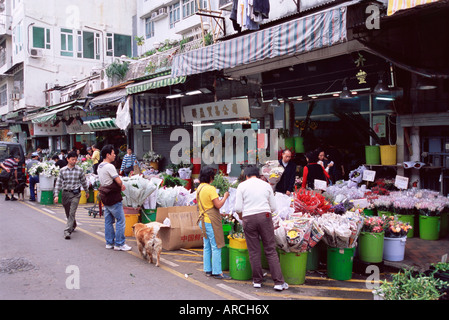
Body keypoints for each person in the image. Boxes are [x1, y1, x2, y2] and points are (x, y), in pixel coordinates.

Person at [234, 166, 289, 291]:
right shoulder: (265, 185)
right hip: (264, 216)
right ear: (258, 175)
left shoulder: (242, 186)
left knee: (254, 251)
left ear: (246, 176)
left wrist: (244, 218)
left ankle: (257, 281)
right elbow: (274, 207)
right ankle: (279, 283)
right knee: (270, 250)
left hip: (248, 218)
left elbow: (238, 208)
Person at [196, 166, 230, 279]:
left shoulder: (199, 187)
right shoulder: (210, 189)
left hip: (202, 220)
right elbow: (218, 205)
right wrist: (225, 197)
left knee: (207, 246)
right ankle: (217, 272)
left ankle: (208, 270)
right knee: (216, 246)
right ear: (210, 176)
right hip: (210, 221)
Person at [97, 144, 131, 251]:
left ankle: (109, 242)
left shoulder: (100, 166)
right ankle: (119, 243)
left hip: (105, 195)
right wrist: (121, 185)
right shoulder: (109, 166)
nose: (115, 155)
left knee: (108, 220)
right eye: (113, 153)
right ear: (108, 155)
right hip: (113, 196)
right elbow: (118, 181)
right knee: (120, 220)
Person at [54, 151, 89, 239]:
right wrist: (56, 195)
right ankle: (73, 223)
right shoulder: (62, 170)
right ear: (68, 159)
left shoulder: (79, 170)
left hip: (76, 194)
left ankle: (67, 231)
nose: (74, 161)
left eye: (76, 160)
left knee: (72, 212)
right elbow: (58, 183)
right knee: (67, 211)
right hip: (65, 193)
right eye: (72, 159)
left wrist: (87, 191)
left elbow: (84, 182)